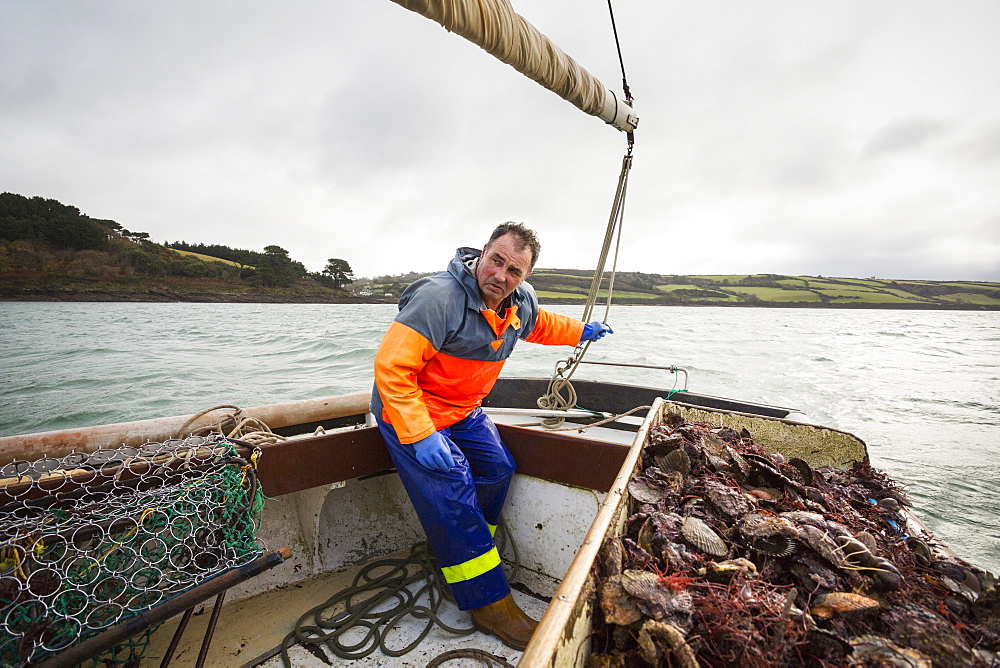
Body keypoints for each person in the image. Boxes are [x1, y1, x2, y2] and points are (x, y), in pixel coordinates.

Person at [370, 222, 613, 650]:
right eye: (496, 261)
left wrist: (581, 332)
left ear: (526, 277)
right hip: (411, 410)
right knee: (453, 482)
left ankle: (461, 550)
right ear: (482, 253)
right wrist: (420, 434)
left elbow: (541, 326)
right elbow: (392, 369)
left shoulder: (520, 301)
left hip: (463, 409)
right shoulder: (437, 298)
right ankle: (487, 602)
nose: (501, 275)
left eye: (515, 270)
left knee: (498, 468)